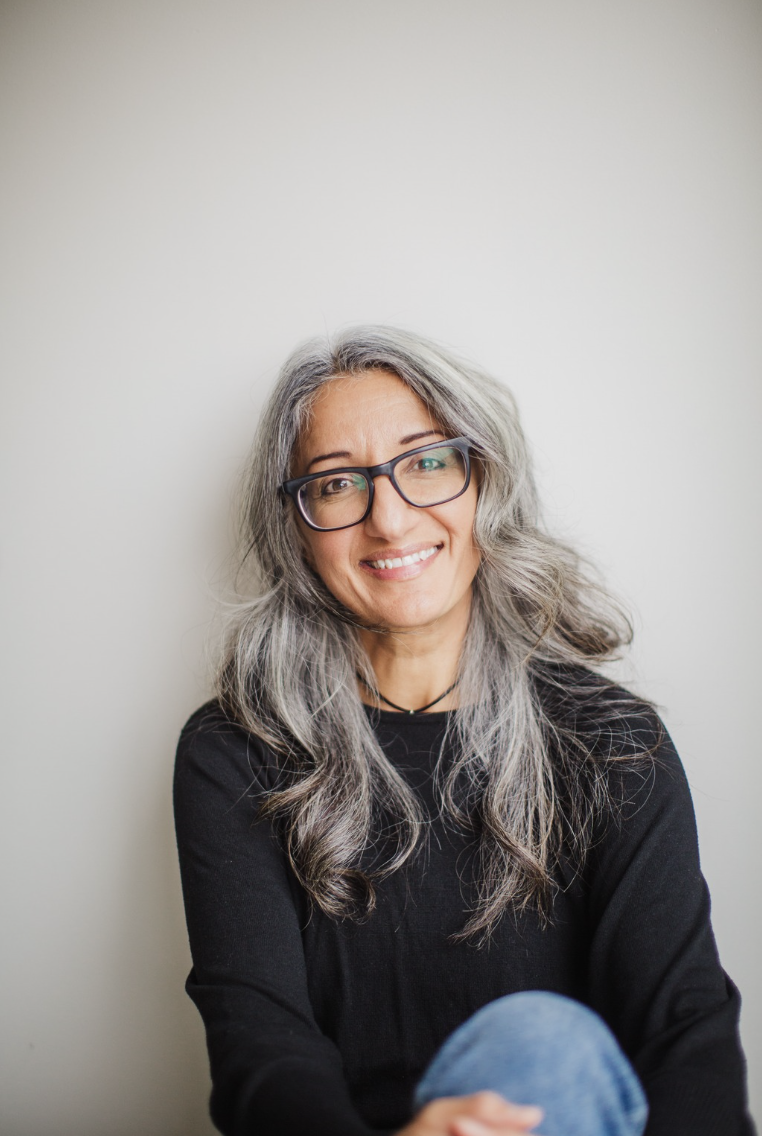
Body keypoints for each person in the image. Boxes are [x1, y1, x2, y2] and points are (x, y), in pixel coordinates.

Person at [173, 326, 753, 1136]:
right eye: (338, 484)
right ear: (297, 528)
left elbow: (686, 1040)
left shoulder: (617, 743)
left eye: (427, 463)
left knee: (540, 1046)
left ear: (486, 483)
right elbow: (261, 1048)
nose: (389, 518)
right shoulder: (235, 754)